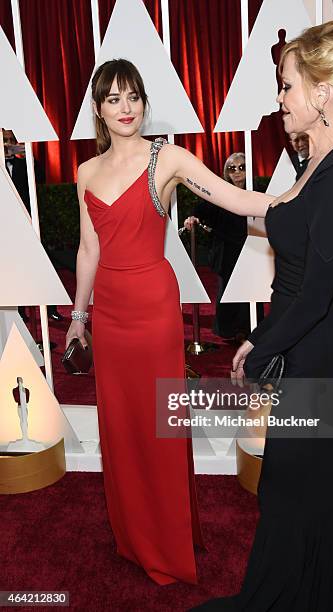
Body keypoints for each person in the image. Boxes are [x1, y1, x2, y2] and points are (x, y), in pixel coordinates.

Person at [192, 18, 333, 610]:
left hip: (321, 354)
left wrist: (259, 347)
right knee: (301, 487)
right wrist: (190, 172)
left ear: (321, 92)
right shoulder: (318, 162)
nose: (280, 98)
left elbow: (315, 294)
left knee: (309, 488)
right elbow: (276, 229)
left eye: (286, 86)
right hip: (302, 345)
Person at [65, 59, 272, 585]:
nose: (125, 107)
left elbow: (234, 197)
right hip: (108, 312)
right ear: (99, 109)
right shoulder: (87, 172)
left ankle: (167, 540)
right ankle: (133, 537)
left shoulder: (167, 158)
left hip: (154, 308)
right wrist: (78, 316)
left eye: (132, 96)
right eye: (113, 98)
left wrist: (297, 198)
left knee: (160, 423)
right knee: (122, 425)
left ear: (143, 101)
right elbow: (89, 248)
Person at [184, 153, 263, 341]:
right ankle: (228, 331)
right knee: (227, 290)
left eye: (242, 167)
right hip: (227, 250)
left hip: (251, 247)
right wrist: (192, 217)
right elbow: (201, 209)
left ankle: (251, 329)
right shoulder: (221, 190)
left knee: (252, 290)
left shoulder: (257, 189)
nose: (237, 172)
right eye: (232, 168)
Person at [3, 129, 64, 322]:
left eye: (11, 140)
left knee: (44, 265)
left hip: (30, 223)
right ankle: (19, 312)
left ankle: (50, 309)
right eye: (4, 140)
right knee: (14, 270)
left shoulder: (24, 163)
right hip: (5, 227)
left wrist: (27, 154)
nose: (7, 144)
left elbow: (40, 177)